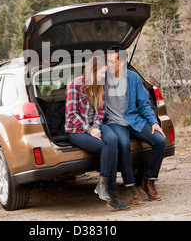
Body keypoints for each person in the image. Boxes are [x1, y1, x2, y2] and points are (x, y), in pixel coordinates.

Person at [105, 46, 167, 206]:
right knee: (124, 144)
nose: (109, 65)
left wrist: (154, 122)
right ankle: (130, 186)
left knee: (160, 141)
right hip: (114, 122)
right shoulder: (103, 78)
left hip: (133, 119)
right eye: (108, 61)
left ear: (123, 62)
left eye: (113, 62)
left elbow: (143, 103)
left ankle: (149, 181)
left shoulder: (132, 77)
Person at [65, 56, 129, 211]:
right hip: (77, 129)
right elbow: (72, 114)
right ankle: (113, 194)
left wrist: (96, 126)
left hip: (96, 124)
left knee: (112, 140)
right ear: (92, 71)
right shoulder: (75, 85)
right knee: (107, 148)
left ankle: (102, 184)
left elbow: (100, 112)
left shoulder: (100, 86)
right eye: (101, 73)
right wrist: (89, 129)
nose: (102, 76)